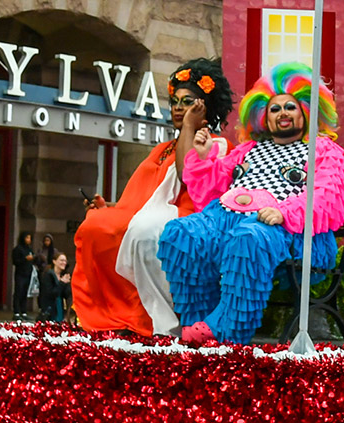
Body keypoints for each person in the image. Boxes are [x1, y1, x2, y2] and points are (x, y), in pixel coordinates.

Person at [158, 62, 344, 346]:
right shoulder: (248, 149)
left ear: (306, 112)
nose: (282, 113)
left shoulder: (322, 149)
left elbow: (328, 196)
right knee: (180, 233)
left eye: (290, 107)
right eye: (274, 109)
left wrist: (284, 213)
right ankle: (198, 323)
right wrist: (203, 156)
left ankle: (225, 331)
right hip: (224, 219)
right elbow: (209, 191)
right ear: (263, 116)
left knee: (249, 237)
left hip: (287, 232)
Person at [73, 58, 232, 338]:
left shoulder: (217, 144)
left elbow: (187, 176)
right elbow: (143, 196)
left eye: (188, 102)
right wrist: (108, 206)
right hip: (143, 214)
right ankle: (114, 316)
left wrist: (189, 128)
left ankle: (148, 320)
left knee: (143, 232)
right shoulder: (161, 148)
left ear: (205, 107)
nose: (179, 107)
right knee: (95, 226)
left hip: (188, 218)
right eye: (175, 102)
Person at [38, 251, 72, 322]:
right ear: (54, 261)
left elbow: (67, 294)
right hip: (50, 310)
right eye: (61, 260)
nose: (64, 263)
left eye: (65, 261)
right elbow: (50, 293)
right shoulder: (48, 275)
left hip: (60, 308)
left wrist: (67, 284)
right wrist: (62, 283)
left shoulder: (63, 275)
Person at [11, 231, 36, 320]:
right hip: (20, 274)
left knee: (25, 293)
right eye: (27, 238)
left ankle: (24, 312)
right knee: (19, 292)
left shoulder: (29, 249)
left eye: (30, 238)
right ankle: (16, 312)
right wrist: (25, 259)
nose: (28, 240)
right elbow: (15, 261)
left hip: (28, 273)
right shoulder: (18, 249)